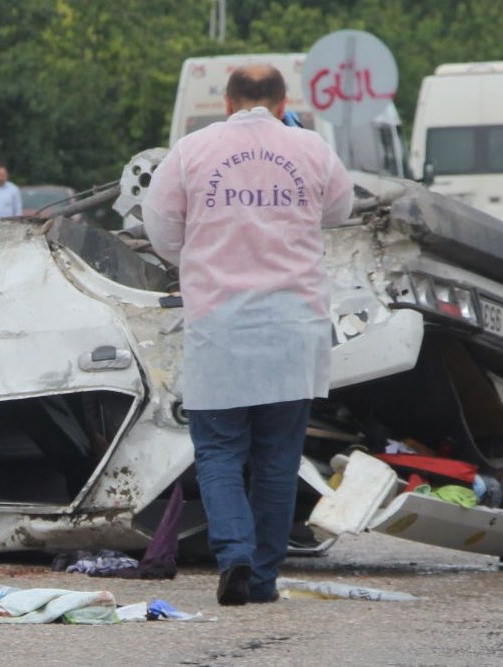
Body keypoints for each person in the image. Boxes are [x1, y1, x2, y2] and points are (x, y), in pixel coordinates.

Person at [141, 64, 353, 606]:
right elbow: (339, 210)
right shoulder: (312, 149)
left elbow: (162, 233)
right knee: (279, 459)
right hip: (293, 325)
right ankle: (261, 578)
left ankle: (233, 554)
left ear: (228, 103)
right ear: (283, 103)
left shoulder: (189, 152)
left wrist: (204, 251)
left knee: (218, 451)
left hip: (220, 325)